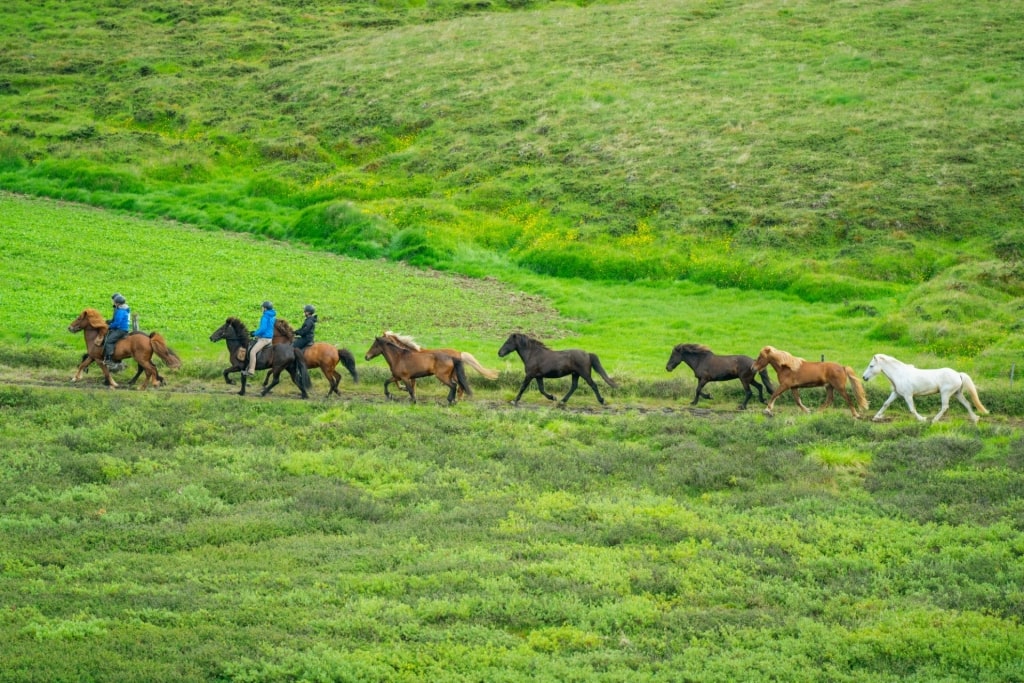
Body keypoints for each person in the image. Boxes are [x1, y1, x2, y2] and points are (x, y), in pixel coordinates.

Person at [244, 301, 276, 377]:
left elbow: (263, 329)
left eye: (262, 307)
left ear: (265, 308)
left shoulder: (265, 316)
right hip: (269, 337)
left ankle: (251, 370)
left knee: (252, 351)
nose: (261, 308)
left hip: (264, 339)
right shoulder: (272, 316)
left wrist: (254, 333)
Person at [104, 293, 130, 369]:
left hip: (121, 329)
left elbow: (117, 323)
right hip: (122, 328)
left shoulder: (120, 311)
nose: (113, 303)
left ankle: (109, 359)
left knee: (108, 341)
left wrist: (109, 326)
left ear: (117, 303)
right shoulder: (123, 309)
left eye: (114, 302)